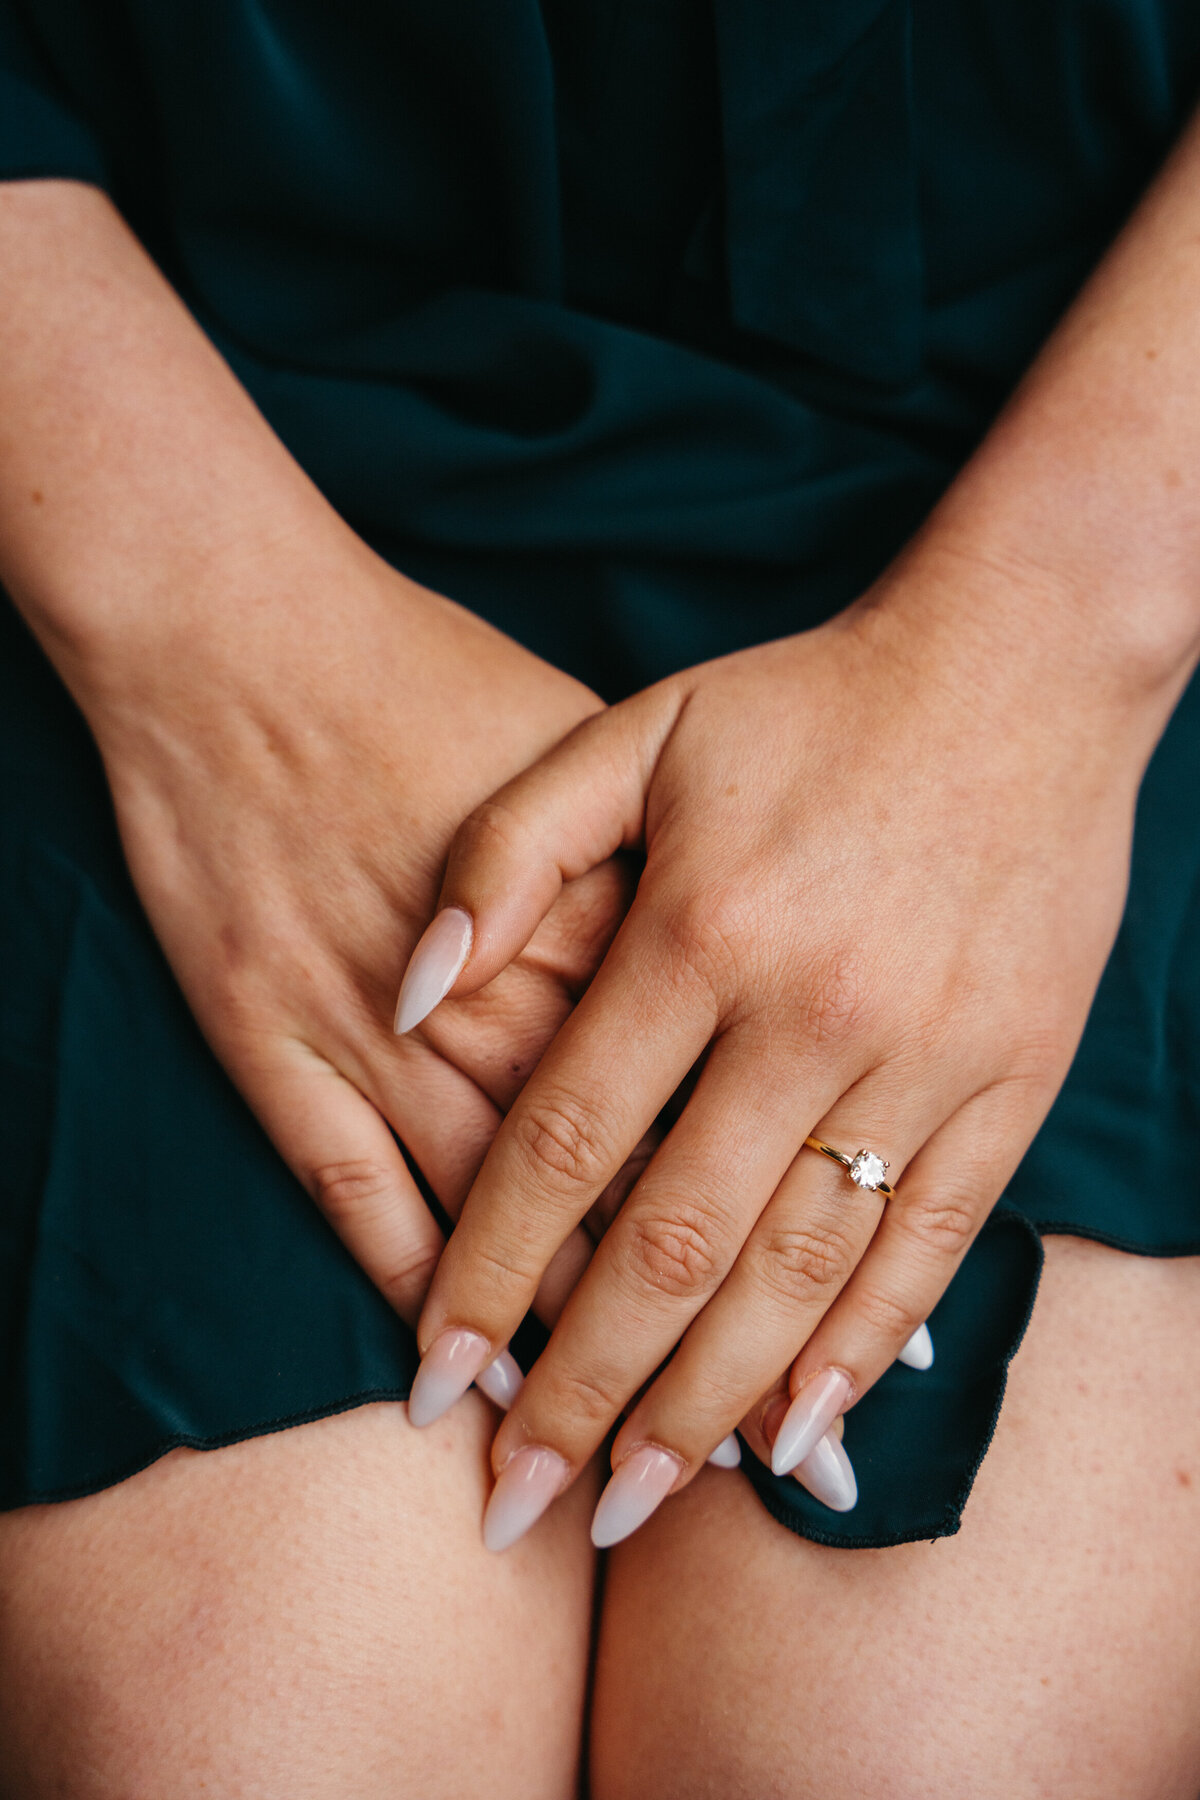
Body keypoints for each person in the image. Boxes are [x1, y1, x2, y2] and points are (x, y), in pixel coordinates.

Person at [1, 4, 1198, 1795]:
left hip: (1107, 420)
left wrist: (1059, 640)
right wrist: (195, 624)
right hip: (144, 386)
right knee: (248, 1743)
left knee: (911, 1759)